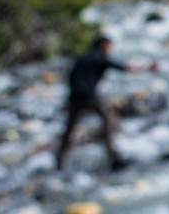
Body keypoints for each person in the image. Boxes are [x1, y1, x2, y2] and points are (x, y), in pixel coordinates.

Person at [55, 35, 157, 171]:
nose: (111, 49)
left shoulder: (83, 57)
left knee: (70, 128)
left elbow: (70, 75)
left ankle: (59, 160)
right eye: (110, 46)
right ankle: (113, 158)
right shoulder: (99, 58)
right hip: (88, 97)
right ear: (103, 45)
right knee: (108, 120)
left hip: (74, 97)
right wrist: (148, 67)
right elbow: (126, 68)